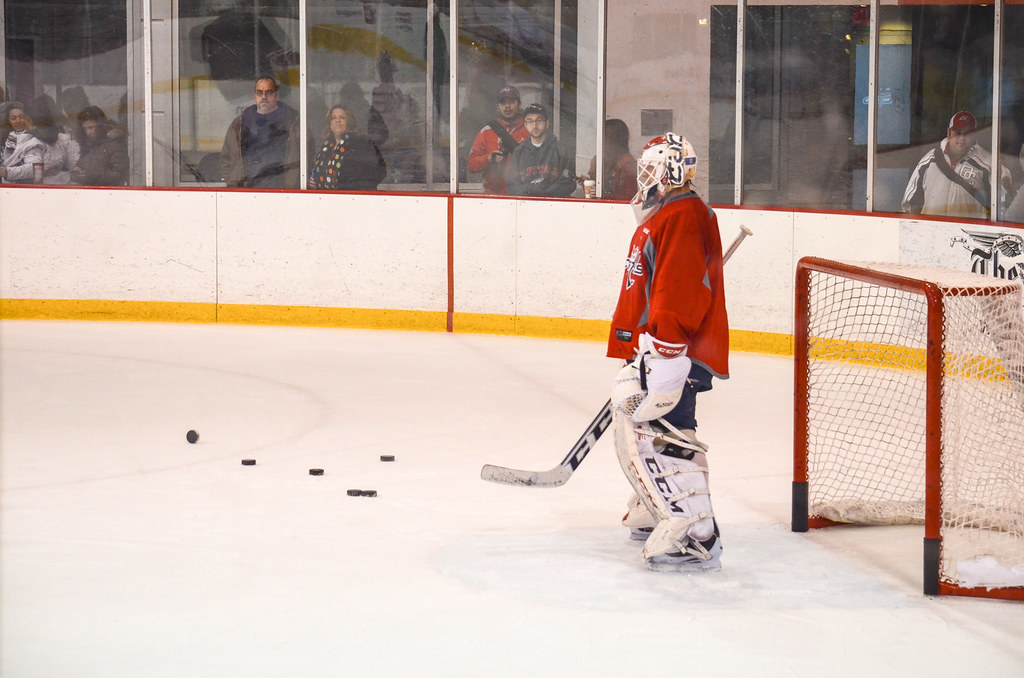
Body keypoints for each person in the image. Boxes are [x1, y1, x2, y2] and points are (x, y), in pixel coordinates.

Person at [607, 133, 729, 571]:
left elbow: (677, 291)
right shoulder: (667, 213)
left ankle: (696, 533)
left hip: (673, 349)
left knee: (670, 436)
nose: (644, 177)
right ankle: (657, 507)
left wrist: (667, 350)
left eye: (651, 168)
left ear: (672, 168)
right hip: (656, 345)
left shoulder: (683, 215)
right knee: (645, 434)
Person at [902, 111, 1012, 220]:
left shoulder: (990, 165)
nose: (961, 138)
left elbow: (1003, 209)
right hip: (932, 233)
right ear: (949, 133)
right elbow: (910, 203)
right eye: (957, 133)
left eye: (967, 133)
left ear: (974, 136)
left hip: (970, 235)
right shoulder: (929, 161)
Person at [220, 77, 300, 188]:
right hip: (246, 190)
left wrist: (294, 184)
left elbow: (308, 156)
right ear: (254, 96)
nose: (264, 97)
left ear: (277, 95)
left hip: (282, 191)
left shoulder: (293, 122)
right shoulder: (241, 123)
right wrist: (233, 180)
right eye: (259, 93)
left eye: (269, 92)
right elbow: (226, 157)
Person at [466, 85, 529, 194]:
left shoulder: (530, 130)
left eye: (511, 102)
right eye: (503, 102)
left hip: (523, 195)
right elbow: (471, 165)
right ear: (497, 106)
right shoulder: (486, 132)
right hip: (493, 197)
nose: (507, 106)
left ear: (519, 104)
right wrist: (488, 158)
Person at [505, 103, 577, 197]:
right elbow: (512, 186)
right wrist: (530, 189)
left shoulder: (561, 149)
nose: (534, 126)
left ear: (547, 124)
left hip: (555, 206)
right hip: (527, 206)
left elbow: (569, 183)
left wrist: (542, 192)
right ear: (525, 125)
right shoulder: (519, 152)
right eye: (530, 121)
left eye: (539, 121)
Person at [308, 106, 386, 191]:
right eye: (333, 118)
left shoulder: (361, 144)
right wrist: (314, 181)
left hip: (352, 198)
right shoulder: (326, 146)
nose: (337, 121)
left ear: (349, 122)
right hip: (325, 199)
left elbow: (378, 173)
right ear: (329, 124)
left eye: (342, 117)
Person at [71, 106, 129, 186]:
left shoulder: (114, 144)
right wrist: (76, 171)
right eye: (85, 129)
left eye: (91, 128)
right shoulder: (88, 144)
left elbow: (119, 174)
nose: (88, 133)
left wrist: (91, 176)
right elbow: (81, 164)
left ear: (101, 125)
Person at [585, 118, 637, 200]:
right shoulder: (597, 160)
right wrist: (586, 183)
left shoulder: (627, 162)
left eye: (603, 136)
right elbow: (593, 191)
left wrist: (603, 196)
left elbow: (631, 197)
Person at [0, 102, 45, 183]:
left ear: (28, 118)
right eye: (13, 118)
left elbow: (34, 168)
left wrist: (8, 172)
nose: (18, 121)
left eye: (21, 117)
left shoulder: (33, 142)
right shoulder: (9, 138)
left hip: (24, 188)